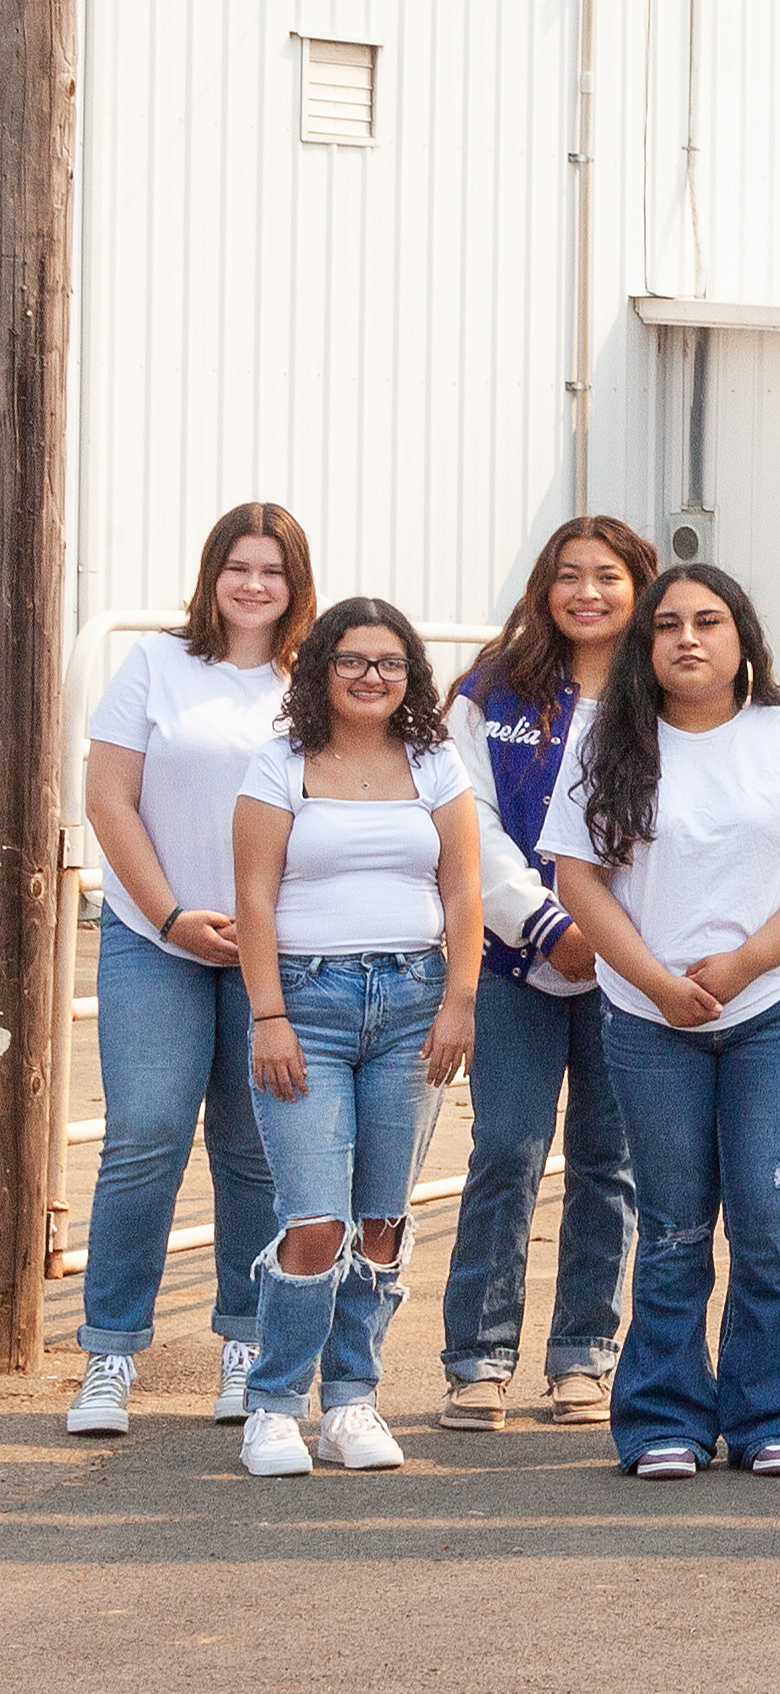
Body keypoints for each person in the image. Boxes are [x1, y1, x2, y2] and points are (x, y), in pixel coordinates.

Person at [545, 563, 780, 1480]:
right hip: (647, 1019)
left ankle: (774, 1416)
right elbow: (580, 881)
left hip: (774, 1010)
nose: (689, 638)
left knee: (767, 1219)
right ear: (646, 644)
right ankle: (662, 1420)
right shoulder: (607, 742)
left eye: (709, 622)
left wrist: (742, 964)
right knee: (676, 1223)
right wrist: (653, 978)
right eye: (669, 624)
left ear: (741, 640)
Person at [66, 504, 309, 1438]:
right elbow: (109, 797)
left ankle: (247, 1345)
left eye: (273, 571)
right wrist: (169, 910)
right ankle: (111, 1352)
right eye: (238, 567)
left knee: (253, 1151)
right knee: (146, 1137)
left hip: (272, 947)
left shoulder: (311, 680)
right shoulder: (157, 666)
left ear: (297, 584)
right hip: (154, 936)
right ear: (212, 576)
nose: (254, 585)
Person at [226, 599, 483, 1476]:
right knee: (314, 1218)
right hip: (307, 1004)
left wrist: (460, 1001)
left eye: (391, 663)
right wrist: (268, 1017)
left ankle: (351, 1402)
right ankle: (273, 1406)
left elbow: (464, 892)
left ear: (411, 674)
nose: (373, 677)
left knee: (381, 1217)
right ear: (320, 670)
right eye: (353, 661)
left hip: (414, 1003)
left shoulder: (435, 762)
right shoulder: (280, 763)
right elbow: (253, 898)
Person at [434, 516, 649, 1434]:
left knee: (610, 1166)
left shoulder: (669, 696)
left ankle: (583, 1358)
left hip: (636, 967)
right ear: (543, 587)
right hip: (516, 959)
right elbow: (468, 819)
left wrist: (616, 940)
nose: (588, 593)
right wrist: (550, 923)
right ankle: (477, 1360)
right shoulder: (491, 693)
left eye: (608, 576)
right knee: (507, 1150)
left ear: (640, 587)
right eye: (570, 576)